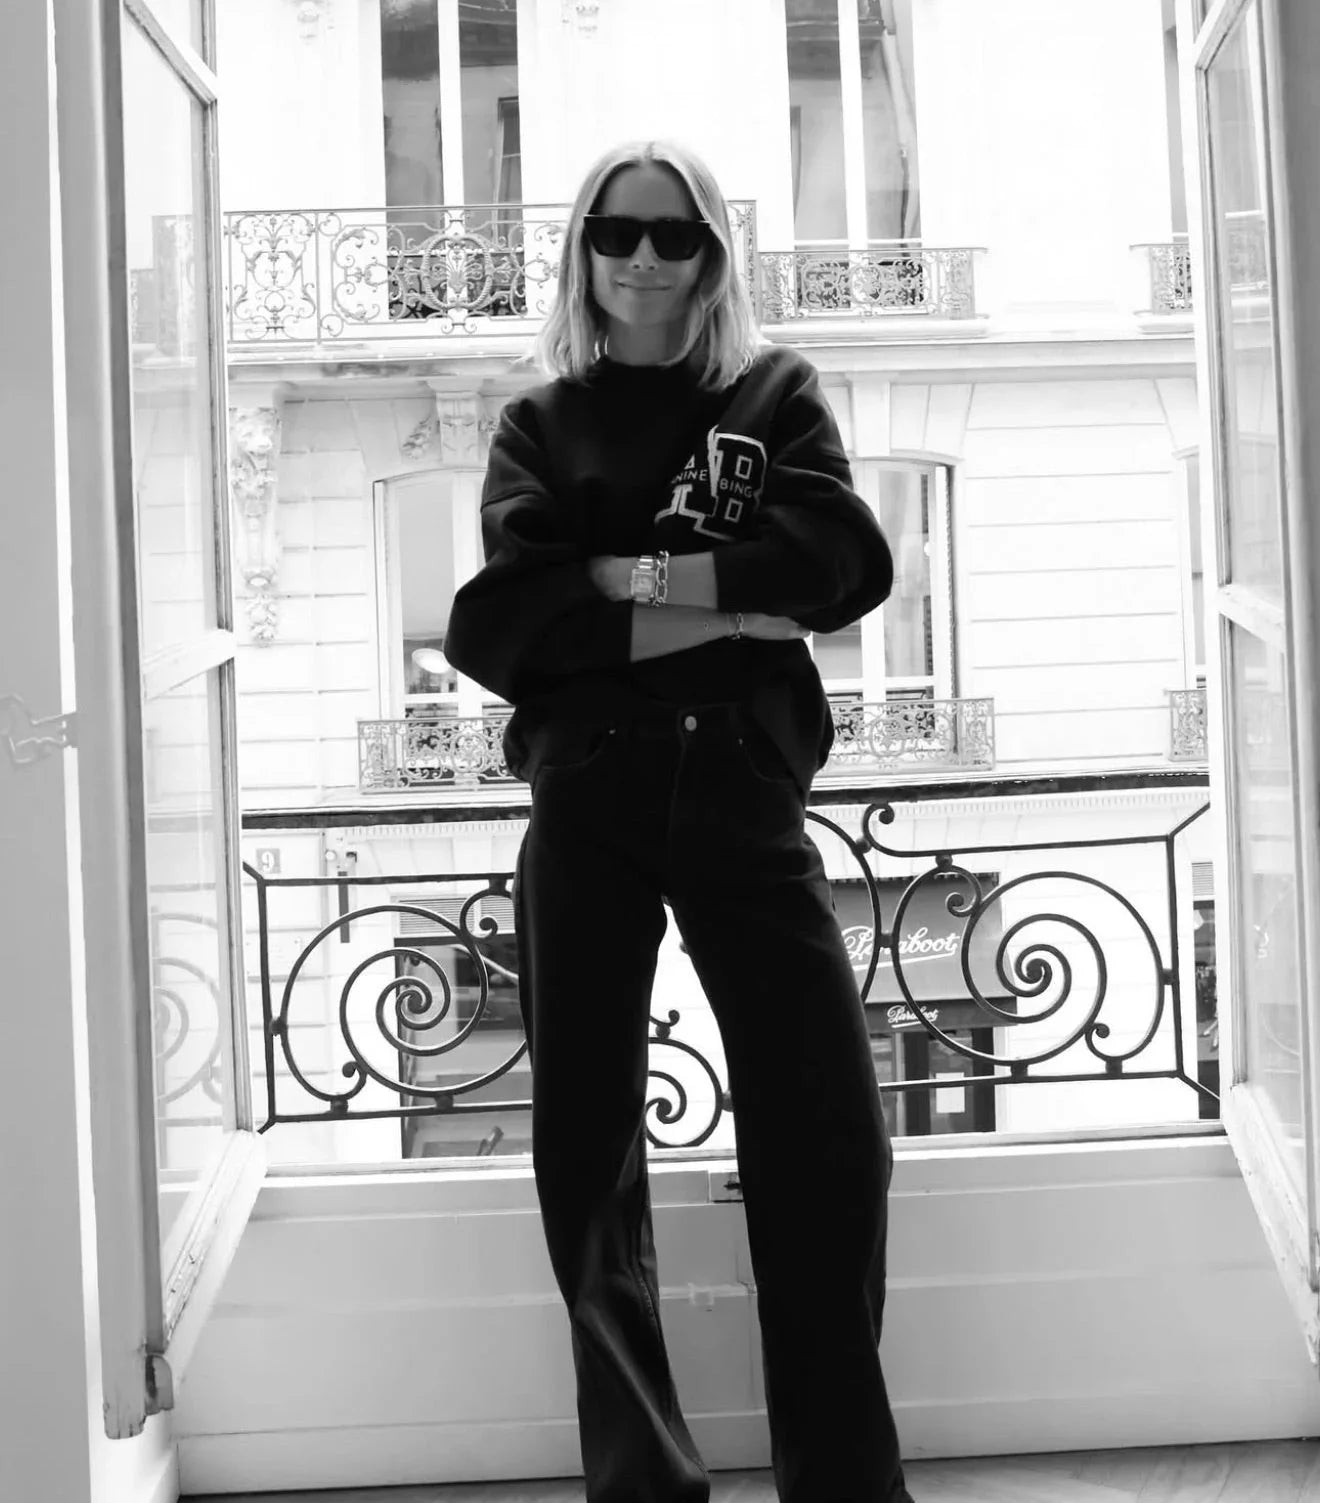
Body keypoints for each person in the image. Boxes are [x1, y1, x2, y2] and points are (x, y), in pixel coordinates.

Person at [444, 139, 915, 1503]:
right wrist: (730, 607)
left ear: (714, 255)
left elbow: (840, 565)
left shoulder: (774, 395)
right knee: (586, 1152)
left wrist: (632, 580)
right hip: (589, 794)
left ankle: (844, 1480)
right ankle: (643, 1483)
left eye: (676, 235)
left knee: (828, 1130)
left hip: (740, 787)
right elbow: (512, 628)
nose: (644, 259)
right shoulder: (541, 423)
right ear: (581, 249)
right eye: (618, 232)